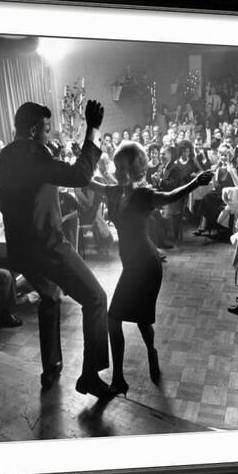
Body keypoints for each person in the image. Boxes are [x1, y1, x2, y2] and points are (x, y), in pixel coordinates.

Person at [0, 100, 113, 398]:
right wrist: (94, 130)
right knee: (97, 299)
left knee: (49, 298)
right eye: (46, 129)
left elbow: (36, 187)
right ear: (34, 129)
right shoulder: (35, 154)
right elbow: (79, 177)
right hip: (46, 245)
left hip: (21, 249)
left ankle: (51, 367)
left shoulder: (6, 156)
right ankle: (89, 375)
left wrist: (52, 154)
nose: (49, 135)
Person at [90, 143, 212, 395]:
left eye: (126, 167)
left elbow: (169, 197)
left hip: (146, 265)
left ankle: (136, 365)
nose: (121, 171)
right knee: (127, 321)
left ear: (136, 168)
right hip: (130, 265)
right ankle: (125, 375)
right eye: (118, 166)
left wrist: (195, 183)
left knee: (127, 320)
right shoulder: (112, 191)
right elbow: (88, 182)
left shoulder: (144, 195)